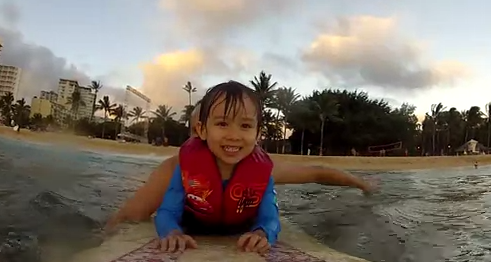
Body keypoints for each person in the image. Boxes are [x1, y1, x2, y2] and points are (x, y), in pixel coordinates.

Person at [105, 99, 375, 232]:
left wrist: (363, 184)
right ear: (198, 133)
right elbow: (129, 216)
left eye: (242, 126)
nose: (230, 136)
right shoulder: (174, 169)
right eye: (220, 125)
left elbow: (318, 172)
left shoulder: (259, 168)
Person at [154, 81, 280, 254]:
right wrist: (172, 232)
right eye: (222, 124)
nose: (234, 136)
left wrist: (262, 233)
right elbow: (167, 211)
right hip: (196, 225)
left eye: (245, 126)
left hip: (239, 227)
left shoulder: (263, 175)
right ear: (202, 129)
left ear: (258, 134)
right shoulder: (187, 168)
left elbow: (270, 218)